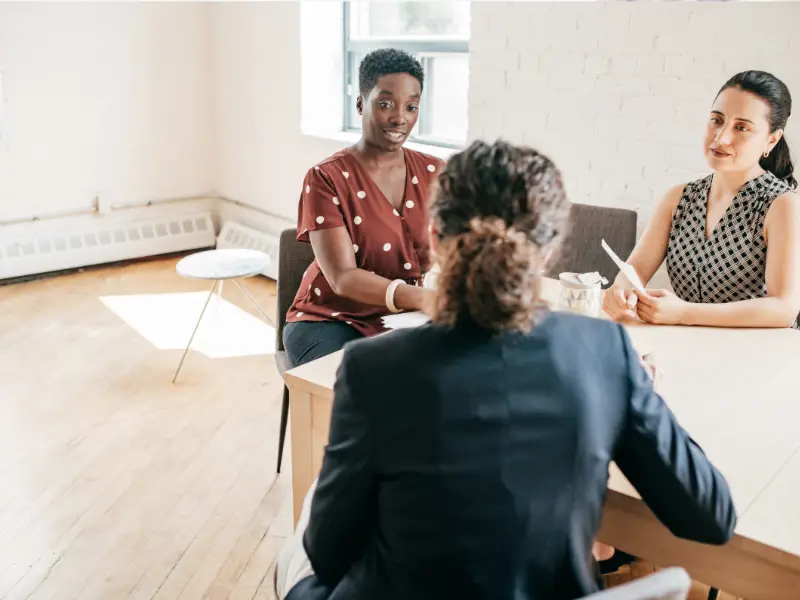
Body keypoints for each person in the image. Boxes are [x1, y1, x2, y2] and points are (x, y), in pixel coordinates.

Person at [275, 140, 737, 600]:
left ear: (434, 238)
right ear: (551, 250)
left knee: (302, 550)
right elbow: (711, 517)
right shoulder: (606, 354)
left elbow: (328, 553)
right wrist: (637, 394)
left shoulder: (372, 368)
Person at [283, 48, 443, 367]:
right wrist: (427, 299)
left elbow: (460, 248)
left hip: (408, 318)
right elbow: (342, 277)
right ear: (360, 104)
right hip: (329, 319)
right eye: (385, 104)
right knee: (358, 387)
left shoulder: (436, 173)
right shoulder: (326, 177)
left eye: (411, 107)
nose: (399, 117)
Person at [604, 70, 800, 328]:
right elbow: (634, 271)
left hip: (757, 350)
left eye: (742, 127)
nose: (722, 137)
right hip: (687, 344)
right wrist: (621, 291)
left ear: (771, 140)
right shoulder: (678, 198)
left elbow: (784, 308)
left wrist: (684, 313)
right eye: (717, 120)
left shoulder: (782, 204)